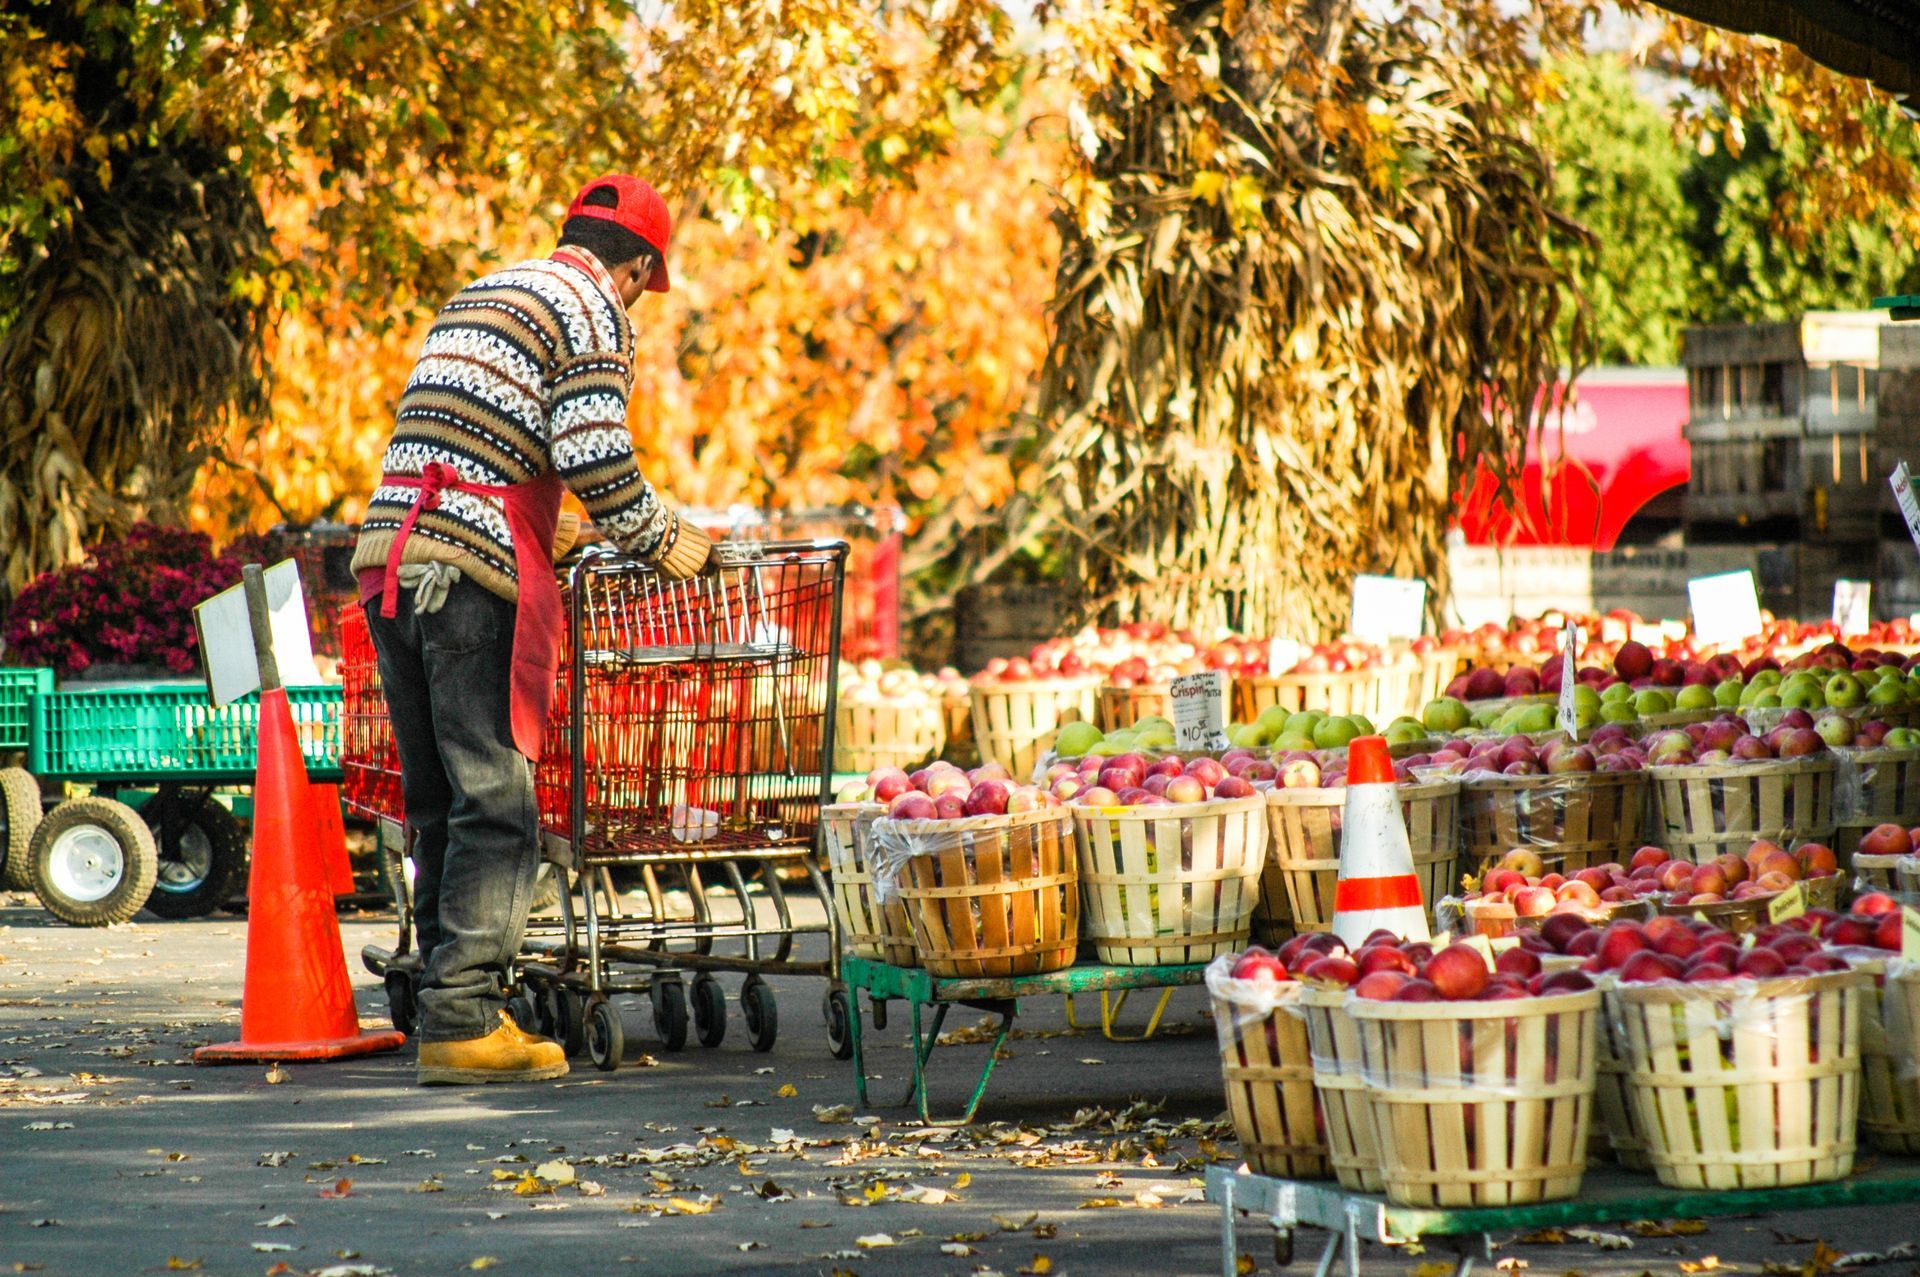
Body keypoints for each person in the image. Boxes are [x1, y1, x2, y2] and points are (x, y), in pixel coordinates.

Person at [350, 174, 712, 1085]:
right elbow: (593, 449)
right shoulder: (592, 308)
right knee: (498, 797)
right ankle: (467, 1019)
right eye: (645, 286)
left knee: (436, 799)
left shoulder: (484, 292)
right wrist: (661, 538)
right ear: (636, 267)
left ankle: (445, 998)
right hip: (470, 566)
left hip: (389, 558)